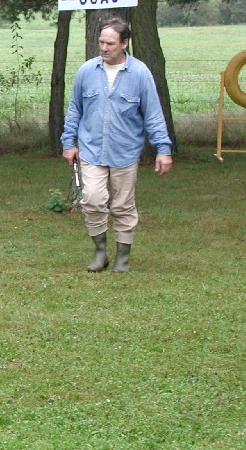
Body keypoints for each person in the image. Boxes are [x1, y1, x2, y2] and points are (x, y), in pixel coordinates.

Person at [61, 17, 173, 273]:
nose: (103, 47)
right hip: (91, 149)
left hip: (125, 152)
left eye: (110, 43)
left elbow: (153, 115)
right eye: (101, 42)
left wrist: (163, 149)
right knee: (92, 199)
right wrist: (69, 142)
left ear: (124, 43)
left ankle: (123, 256)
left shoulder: (140, 74)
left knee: (122, 205)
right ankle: (100, 252)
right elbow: (74, 110)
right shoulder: (86, 71)